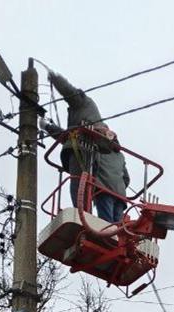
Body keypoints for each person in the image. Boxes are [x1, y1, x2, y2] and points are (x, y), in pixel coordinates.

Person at [44, 69, 129, 223]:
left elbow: (70, 93)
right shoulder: (118, 153)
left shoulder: (84, 105)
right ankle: (100, 227)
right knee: (114, 226)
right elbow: (126, 179)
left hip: (92, 170)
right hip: (119, 195)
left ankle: (84, 219)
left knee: (79, 187)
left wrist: (55, 78)